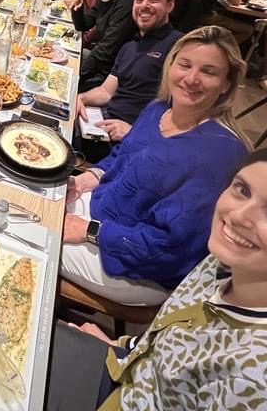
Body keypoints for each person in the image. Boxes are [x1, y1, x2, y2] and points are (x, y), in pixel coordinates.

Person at [52, 146, 267, 411]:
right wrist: (124, 349)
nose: (238, 216)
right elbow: (174, 344)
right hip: (126, 375)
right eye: (242, 190)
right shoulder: (224, 264)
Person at [61, 26, 249, 304]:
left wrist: (89, 230)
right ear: (170, 65)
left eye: (208, 72)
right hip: (104, 211)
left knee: (29, 235)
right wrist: (87, 179)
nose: (191, 79)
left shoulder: (219, 154)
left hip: (137, 266)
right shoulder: (158, 109)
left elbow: (171, 248)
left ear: (226, 84)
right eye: (185, 64)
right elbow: (122, 156)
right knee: (32, 195)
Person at [75, 0, 182, 161]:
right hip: (102, 125)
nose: (144, 5)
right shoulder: (129, 46)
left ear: (170, 5)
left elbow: (185, 115)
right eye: (139, 0)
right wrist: (80, 98)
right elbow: (106, 92)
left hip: (131, 145)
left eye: (154, 0)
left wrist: (133, 132)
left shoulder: (179, 47)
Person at [73, 0, 138, 92]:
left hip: (113, 75)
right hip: (101, 62)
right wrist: (77, 7)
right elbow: (84, 25)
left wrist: (74, 78)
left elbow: (105, 51)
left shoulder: (128, 0)